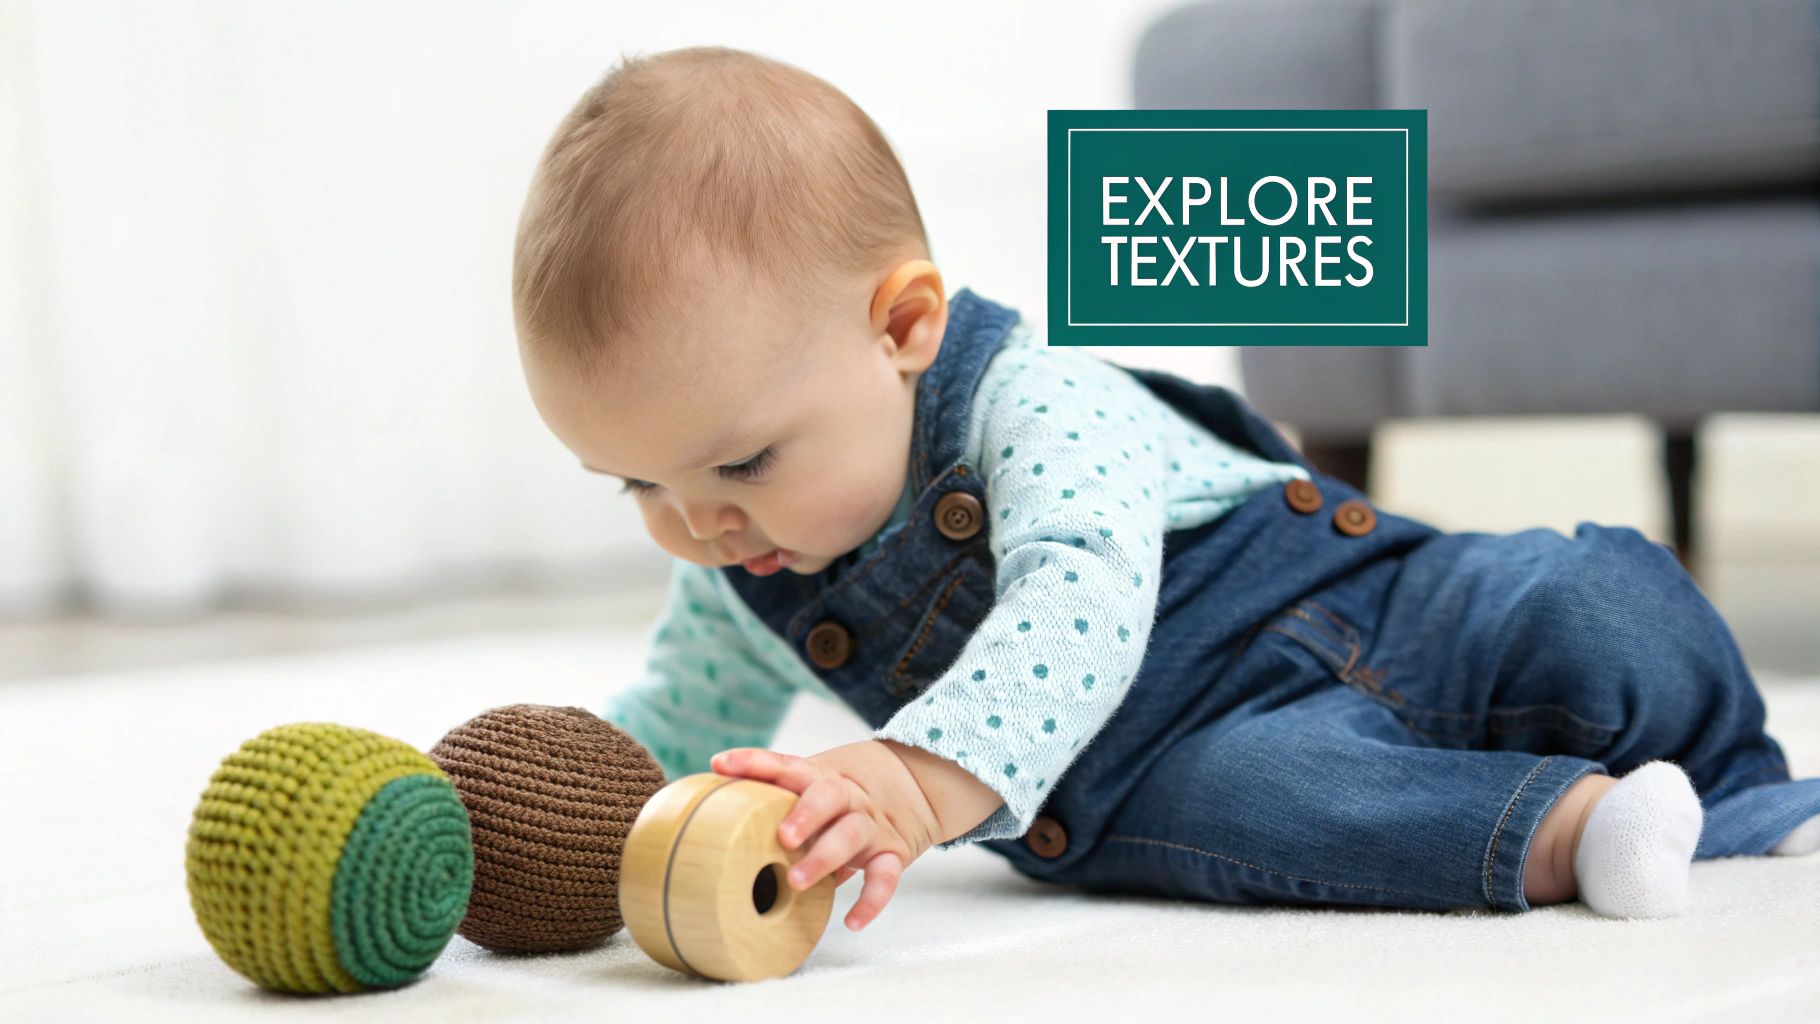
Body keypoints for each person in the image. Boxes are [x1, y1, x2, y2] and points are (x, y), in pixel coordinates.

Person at [509, 45, 1820, 934]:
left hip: (1376, 602)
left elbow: (1079, 599)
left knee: (1595, 605)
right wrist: (552, 825)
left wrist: (912, 782)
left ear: (902, 327)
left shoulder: (1034, 399)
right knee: (1268, 819)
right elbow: (670, 728)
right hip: (1186, 756)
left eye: (742, 462)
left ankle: (1741, 784)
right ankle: (1570, 834)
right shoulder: (741, 570)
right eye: (638, 483)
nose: (699, 528)